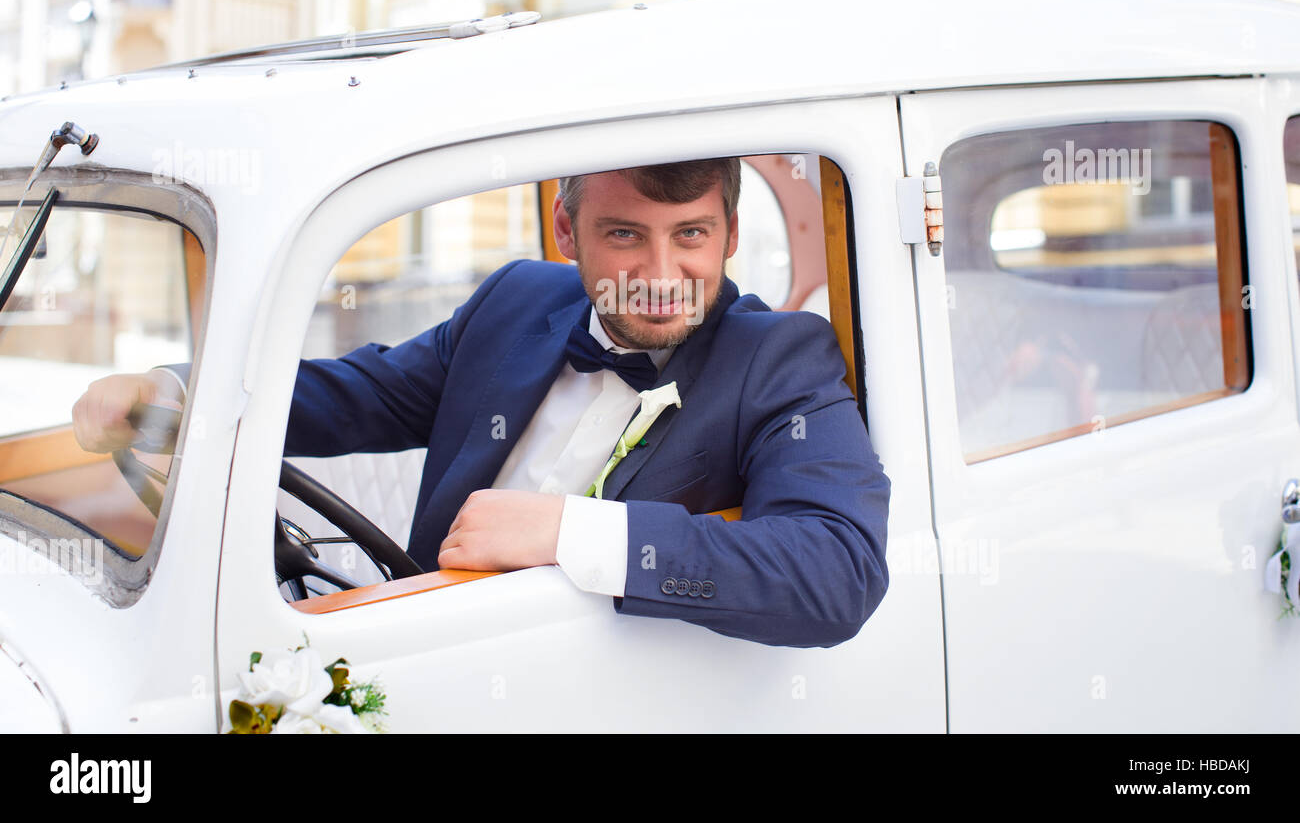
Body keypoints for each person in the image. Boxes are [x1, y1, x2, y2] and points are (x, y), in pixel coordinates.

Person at [72, 159, 890, 648]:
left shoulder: (780, 359)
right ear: (567, 233)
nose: (661, 271)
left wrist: (571, 532)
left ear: (731, 236)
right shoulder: (517, 301)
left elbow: (837, 574)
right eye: (624, 235)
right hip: (425, 645)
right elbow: (368, 395)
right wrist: (177, 395)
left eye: (690, 234)